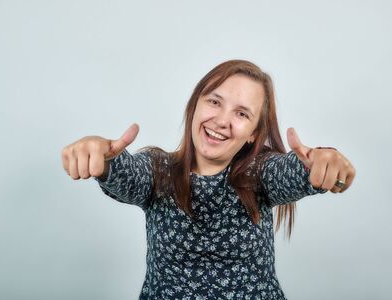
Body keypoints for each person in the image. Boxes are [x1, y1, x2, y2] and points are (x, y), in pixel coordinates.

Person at [61, 60, 355, 299]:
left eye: (241, 113)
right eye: (214, 102)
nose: (222, 120)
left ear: (253, 132)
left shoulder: (261, 173)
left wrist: (325, 162)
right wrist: (99, 154)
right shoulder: (158, 170)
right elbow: (125, 174)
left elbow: (296, 171)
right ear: (195, 106)